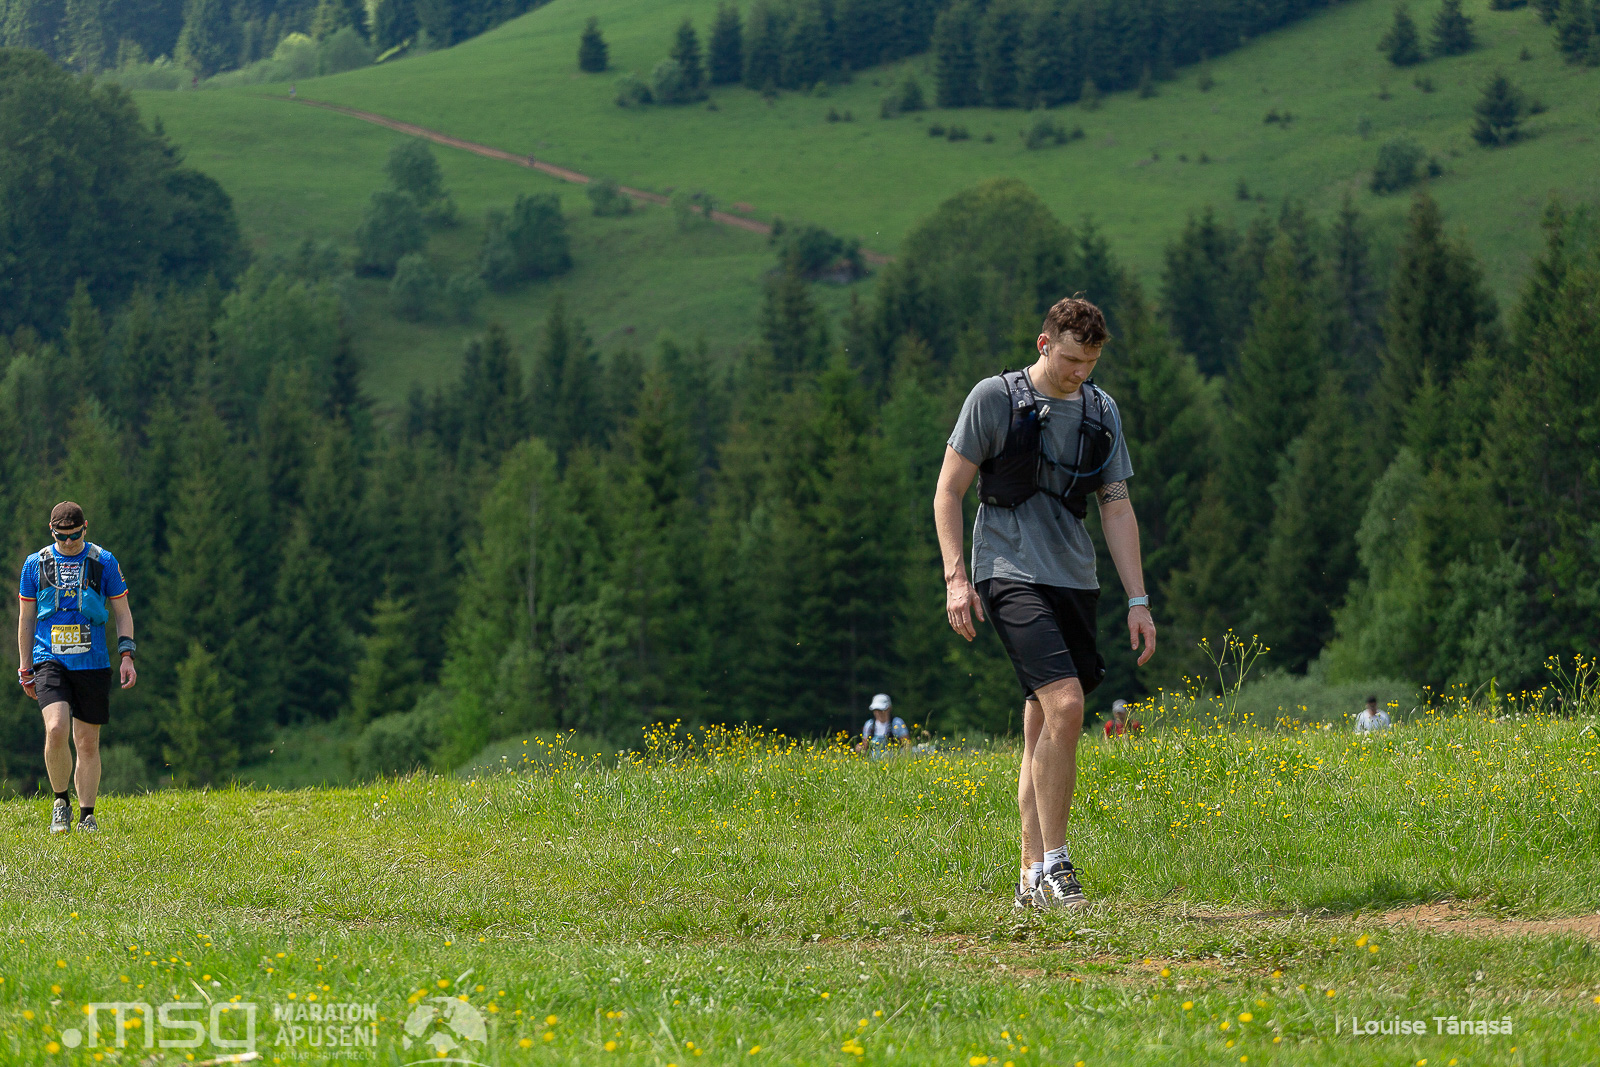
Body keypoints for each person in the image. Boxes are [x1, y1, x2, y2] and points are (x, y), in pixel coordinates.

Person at [934, 296, 1156, 911]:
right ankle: (1058, 866)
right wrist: (957, 579)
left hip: (1074, 578)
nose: (1079, 373)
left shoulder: (1101, 411)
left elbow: (1116, 506)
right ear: (1043, 344)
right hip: (1006, 570)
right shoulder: (993, 399)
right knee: (1067, 704)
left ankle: (1029, 874)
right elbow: (948, 491)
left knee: (1042, 722)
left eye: (1090, 363)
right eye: (1069, 360)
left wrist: (1138, 599)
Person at [16, 502, 137, 833]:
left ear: (85, 528)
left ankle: (87, 816)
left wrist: (127, 654)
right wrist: (25, 667)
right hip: (48, 658)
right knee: (56, 728)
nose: (68, 543)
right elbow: (26, 619)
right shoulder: (34, 565)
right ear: (51, 531)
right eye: (61, 537)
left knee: (86, 741)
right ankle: (60, 802)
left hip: (92, 662)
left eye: (74, 536)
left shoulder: (104, 562)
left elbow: (122, 611)